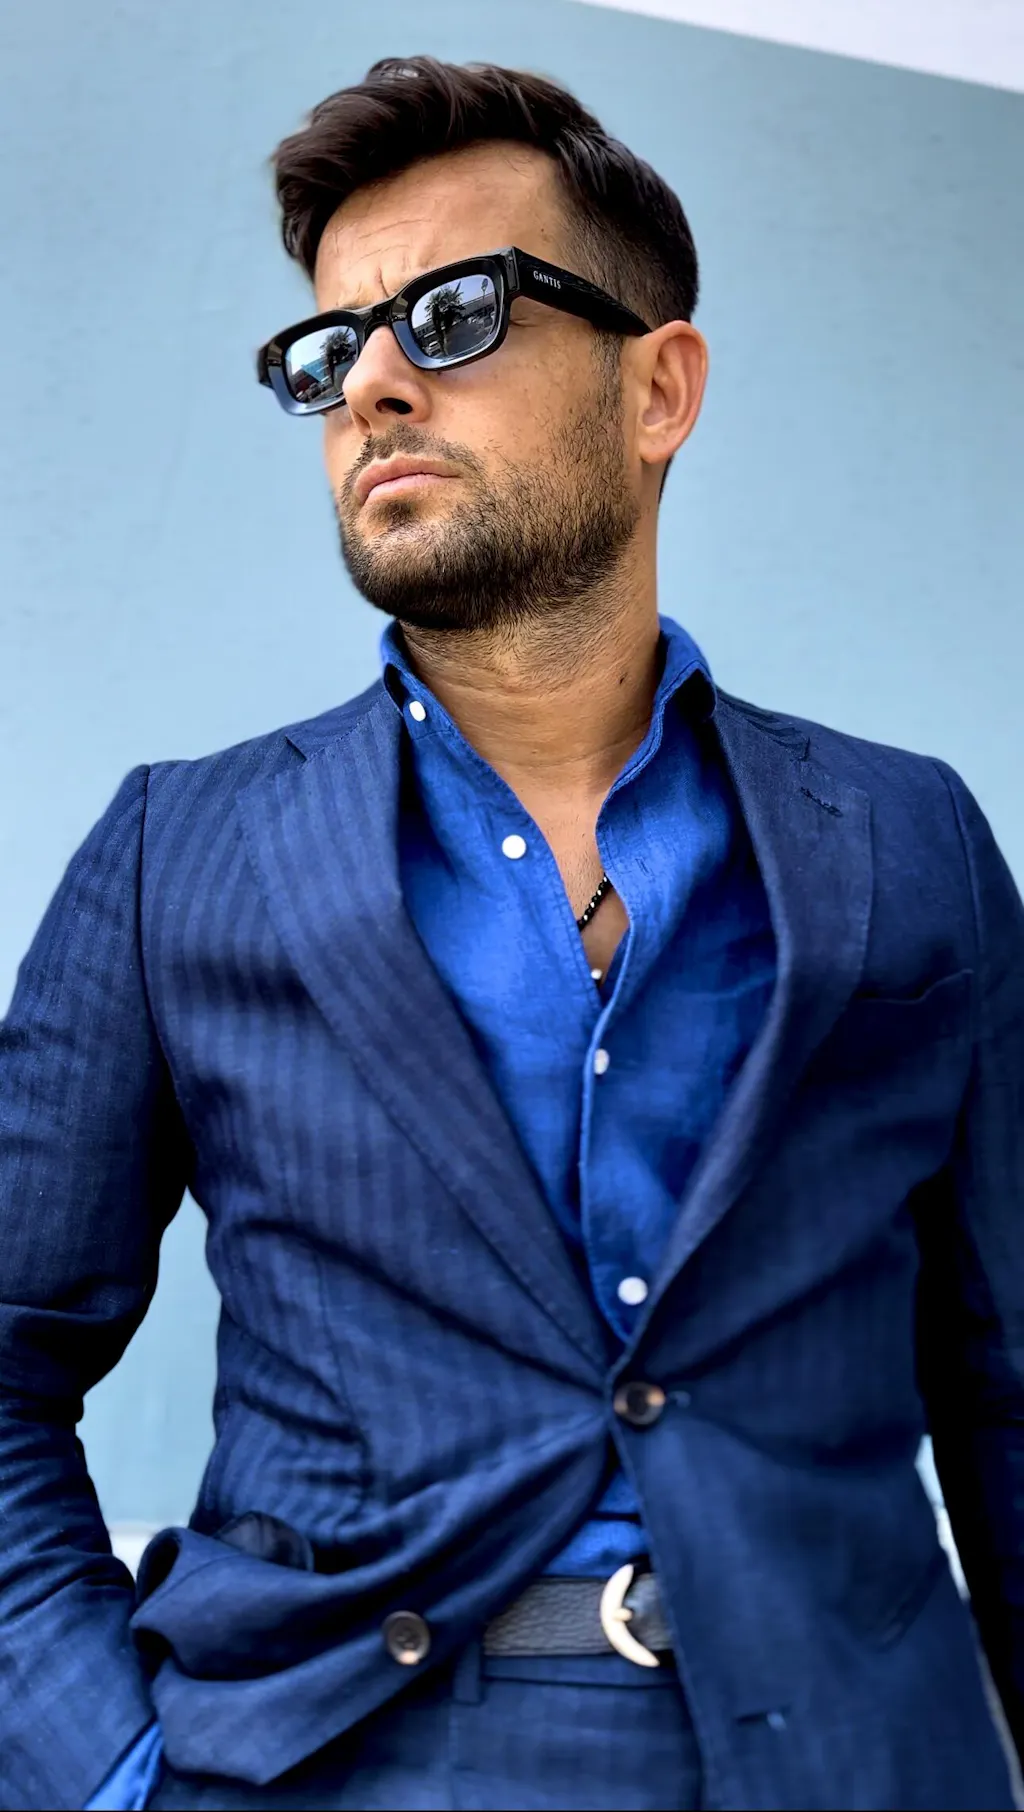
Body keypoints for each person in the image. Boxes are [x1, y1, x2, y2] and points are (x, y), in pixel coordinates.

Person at [1, 52, 1021, 1812]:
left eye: (453, 314)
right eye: (333, 347)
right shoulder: (178, 854)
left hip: (854, 1763)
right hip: (342, 1764)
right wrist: (107, 1777)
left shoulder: (907, 837)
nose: (374, 384)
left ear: (659, 388)